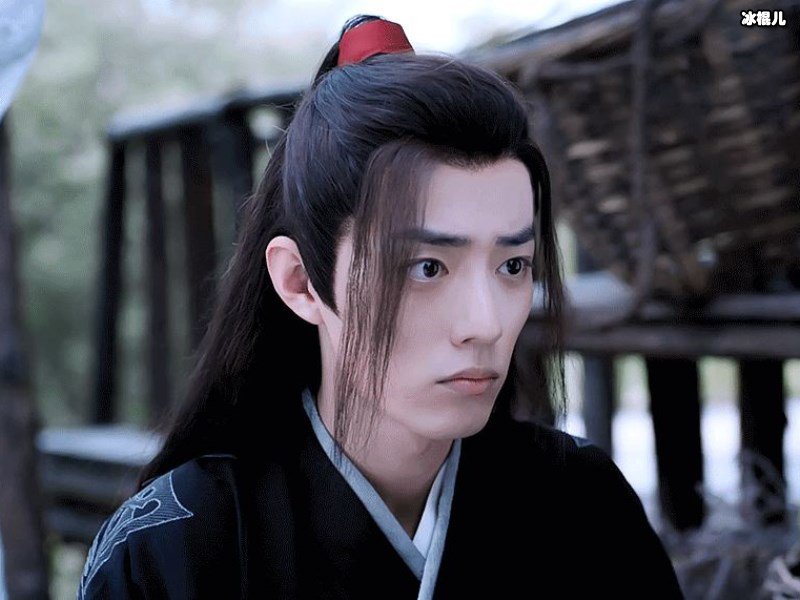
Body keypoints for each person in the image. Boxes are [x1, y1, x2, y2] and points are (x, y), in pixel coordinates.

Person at [76, 14, 685, 600]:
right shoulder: (177, 548)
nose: (486, 323)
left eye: (512, 266)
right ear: (301, 282)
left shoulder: (583, 507)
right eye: (427, 268)